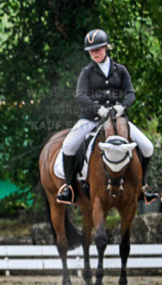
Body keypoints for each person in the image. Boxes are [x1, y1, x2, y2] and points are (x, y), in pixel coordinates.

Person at [56, 29, 157, 205]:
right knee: (68, 145)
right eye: (91, 51)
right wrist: (98, 109)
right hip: (91, 119)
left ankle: (142, 187)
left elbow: (130, 94)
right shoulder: (87, 72)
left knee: (147, 147)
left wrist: (121, 107)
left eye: (98, 49)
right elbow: (80, 96)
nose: (95, 53)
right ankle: (69, 188)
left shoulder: (121, 70)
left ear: (106, 48)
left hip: (118, 120)